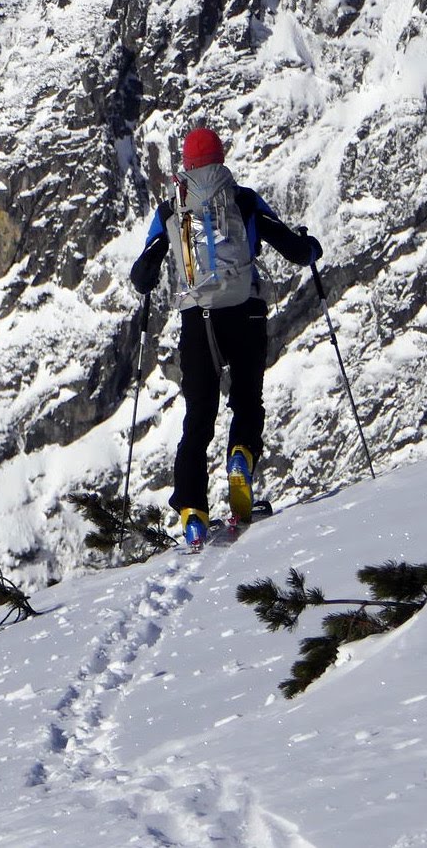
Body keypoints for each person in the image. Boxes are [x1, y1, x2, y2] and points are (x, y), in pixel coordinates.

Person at [128, 126, 321, 549]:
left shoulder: (169, 212)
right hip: (245, 312)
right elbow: (292, 247)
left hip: (198, 320)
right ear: (220, 159)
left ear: (187, 164)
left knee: (199, 416)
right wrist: (310, 249)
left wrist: (148, 277)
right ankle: (240, 459)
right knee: (248, 401)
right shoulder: (244, 200)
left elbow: (143, 273)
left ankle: (194, 514)